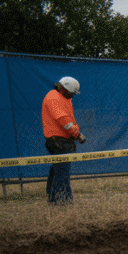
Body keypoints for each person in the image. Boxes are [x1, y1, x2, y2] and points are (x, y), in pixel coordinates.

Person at [42, 76, 87, 204]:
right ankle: (62, 202)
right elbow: (64, 121)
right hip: (59, 141)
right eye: (71, 93)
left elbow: (70, 119)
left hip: (60, 140)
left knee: (57, 171)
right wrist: (77, 135)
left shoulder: (63, 98)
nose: (72, 95)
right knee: (62, 174)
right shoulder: (54, 97)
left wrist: (75, 132)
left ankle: (53, 200)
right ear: (63, 89)